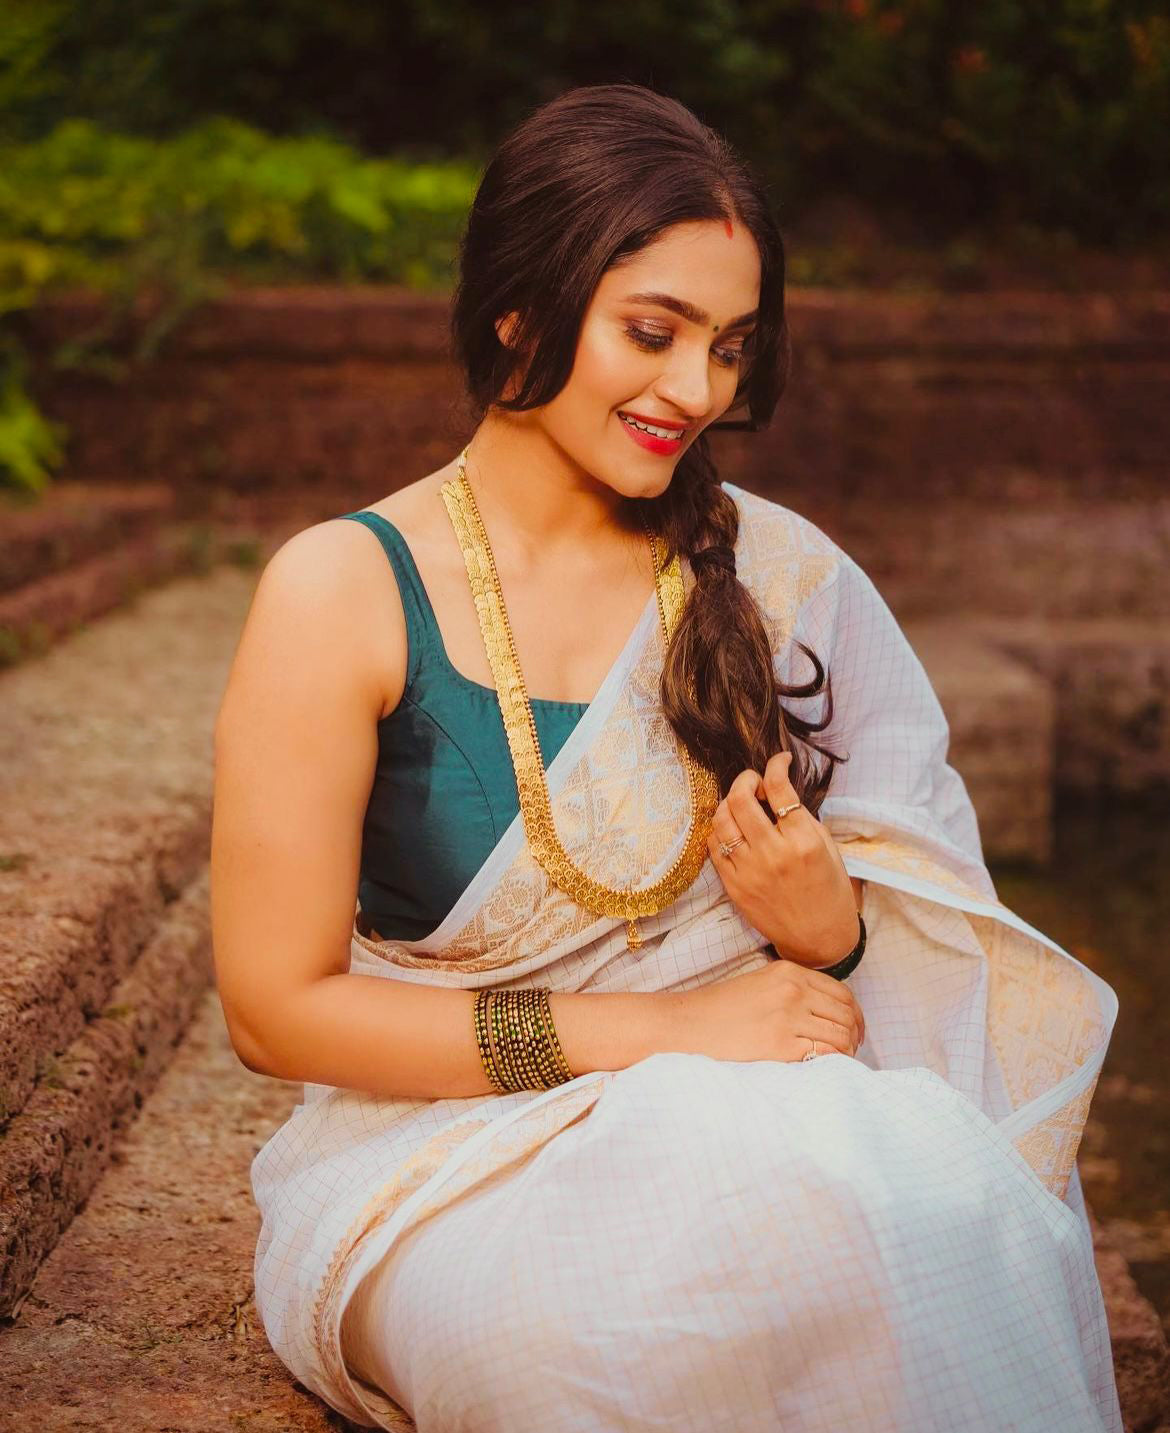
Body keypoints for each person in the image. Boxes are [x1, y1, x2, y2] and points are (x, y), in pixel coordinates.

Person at [210, 83, 1122, 1432]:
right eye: (655, 331)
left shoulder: (785, 576)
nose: (697, 391)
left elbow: (925, 938)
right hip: (434, 1157)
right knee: (608, 1325)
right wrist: (653, 1032)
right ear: (519, 308)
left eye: (731, 348)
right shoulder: (343, 588)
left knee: (928, 1212)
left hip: (752, 1119)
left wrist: (838, 933)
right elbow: (273, 1011)